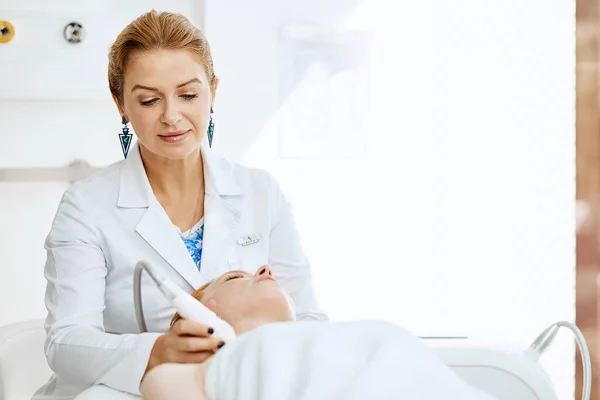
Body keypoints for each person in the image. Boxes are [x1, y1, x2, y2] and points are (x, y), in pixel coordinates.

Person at [32, 10, 326, 400]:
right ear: (120, 103)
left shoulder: (259, 192)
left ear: (213, 91)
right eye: (149, 100)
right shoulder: (86, 207)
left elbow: (306, 318)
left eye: (188, 95)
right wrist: (156, 351)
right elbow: (66, 343)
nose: (172, 116)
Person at [140, 265, 496, 400]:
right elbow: (158, 386)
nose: (264, 268)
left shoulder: (347, 335)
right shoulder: (229, 361)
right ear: (206, 314)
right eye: (235, 277)